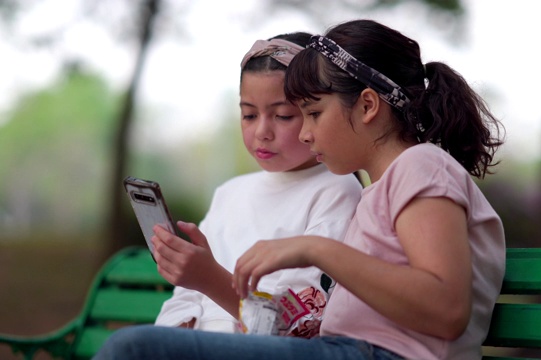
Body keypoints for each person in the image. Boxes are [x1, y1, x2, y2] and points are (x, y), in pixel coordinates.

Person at [95, 19, 505, 360]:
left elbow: (447, 309)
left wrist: (314, 248)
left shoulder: (421, 165)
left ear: (366, 106)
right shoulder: (379, 189)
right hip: (341, 348)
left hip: (371, 354)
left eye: (311, 113)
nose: (305, 134)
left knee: (135, 349)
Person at [152, 32, 363, 337]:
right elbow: (184, 297)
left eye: (283, 115)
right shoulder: (229, 193)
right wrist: (175, 328)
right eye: (249, 114)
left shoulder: (335, 190)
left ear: (314, 111)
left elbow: (300, 321)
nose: (262, 131)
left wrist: (209, 278)